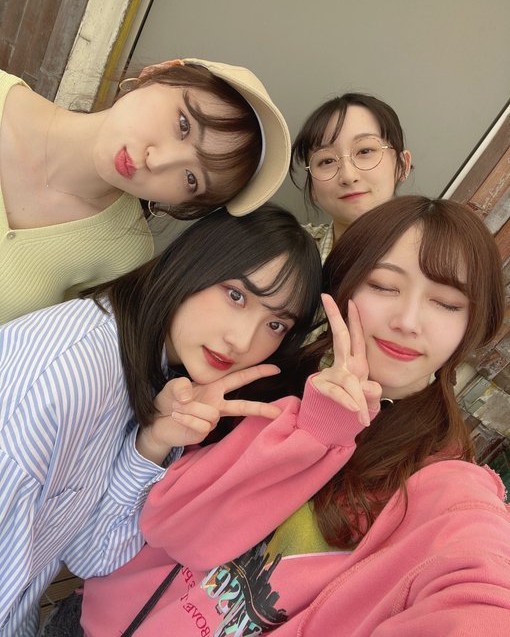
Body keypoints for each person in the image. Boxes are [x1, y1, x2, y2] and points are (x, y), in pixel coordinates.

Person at [78, 196, 510, 636]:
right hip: (91, 613)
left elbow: (480, 588)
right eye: (383, 285)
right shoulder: (271, 369)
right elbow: (171, 527)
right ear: (343, 287)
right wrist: (312, 427)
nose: (409, 321)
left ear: (473, 323)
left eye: (447, 303)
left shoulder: (442, 479)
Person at [0, 204, 321, 637]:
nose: (242, 340)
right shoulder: (70, 378)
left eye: (276, 324)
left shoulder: (156, 376)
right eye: (236, 295)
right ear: (193, 264)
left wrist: (152, 443)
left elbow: (92, 555)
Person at [0, 58, 290, 324]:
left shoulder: (123, 254)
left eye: (191, 179)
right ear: (158, 73)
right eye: (183, 124)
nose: (158, 161)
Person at [291, 93, 412, 263]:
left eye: (365, 151)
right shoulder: (287, 250)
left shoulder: (438, 254)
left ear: (402, 165)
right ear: (312, 187)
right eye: (327, 161)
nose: (348, 176)